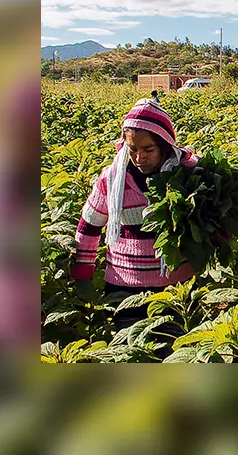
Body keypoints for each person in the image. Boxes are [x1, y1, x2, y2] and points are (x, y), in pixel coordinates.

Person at [69, 98, 198, 353]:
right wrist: (82, 277)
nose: (139, 157)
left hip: (175, 288)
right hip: (123, 287)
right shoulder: (112, 179)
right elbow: (89, 227)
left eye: (148, 149)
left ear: (164, 144)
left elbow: (212, 220)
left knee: (174, 353)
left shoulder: (187, 175)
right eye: (132, 149)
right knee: (128, 353)